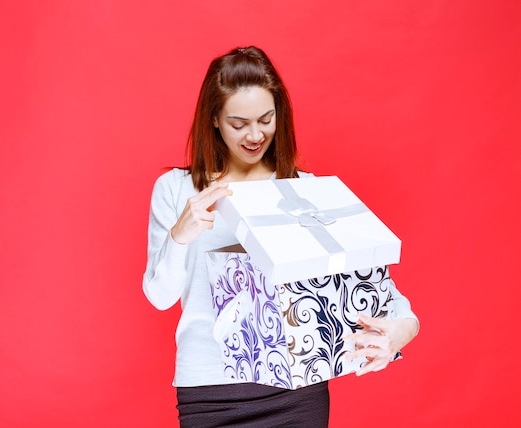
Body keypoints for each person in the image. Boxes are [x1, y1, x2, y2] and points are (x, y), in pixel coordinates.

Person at [143, 46, 419, 428]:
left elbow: (387, 297)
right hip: (210, 392)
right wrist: (180, 235)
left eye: (266, 119)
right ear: (214, 120)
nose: (256, 135)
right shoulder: (176, 189)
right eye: (239, 123)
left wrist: (399, 334)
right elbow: (159, 297)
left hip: (297, 395)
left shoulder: (303, 193)